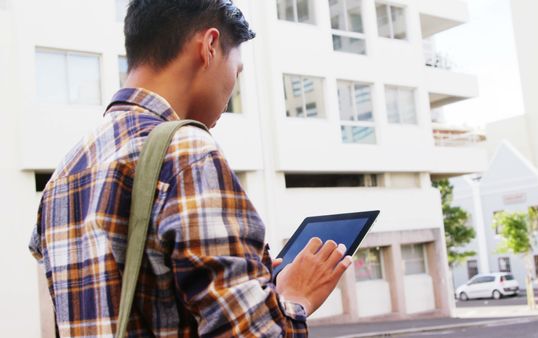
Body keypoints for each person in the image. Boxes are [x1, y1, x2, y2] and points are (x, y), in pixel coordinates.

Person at [28, 0, 351, 336]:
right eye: (236, 70)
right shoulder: (187, 150)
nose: (232, 88)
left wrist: (246, 277)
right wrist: (295, 298)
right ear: (209, 47)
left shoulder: (66, 171)